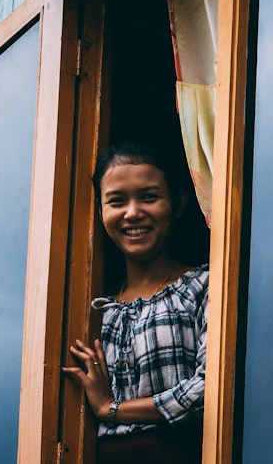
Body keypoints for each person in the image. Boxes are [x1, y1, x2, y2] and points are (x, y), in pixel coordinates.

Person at [64, 140, 208, 462]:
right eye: (116, 201)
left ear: (178, 201)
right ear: (101, 211)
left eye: (148, 197)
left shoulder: (202, 287)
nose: (132, 213)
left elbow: (208, 391)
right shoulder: (96, 313)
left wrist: (110, 409)